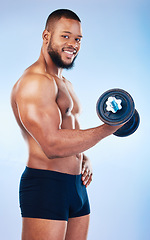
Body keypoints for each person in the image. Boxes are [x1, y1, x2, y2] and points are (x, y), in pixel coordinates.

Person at [11, 9, 122, 240]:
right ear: (46, 36)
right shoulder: (34, 82)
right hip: (46, 185)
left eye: (78, 39)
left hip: (77, 187)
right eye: (65, 36)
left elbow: (67, 133)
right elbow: (51, 145)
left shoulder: (64, 83)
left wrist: (83, 156)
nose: (73, 44)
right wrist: (109, 128)